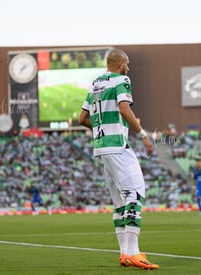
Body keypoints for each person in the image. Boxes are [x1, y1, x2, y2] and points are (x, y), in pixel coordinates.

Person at [78, 48, 159, 270]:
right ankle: (134, 253)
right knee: (134, 193)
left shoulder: (94, 83)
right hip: (117, 147)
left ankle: (124, 253)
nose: (129, 67)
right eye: (127, 63)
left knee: (119, 201)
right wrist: (143, 135)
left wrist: (103, 126)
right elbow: (124, 108)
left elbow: (82, 118)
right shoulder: (122, 79)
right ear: (121, 63)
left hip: (101, 149)